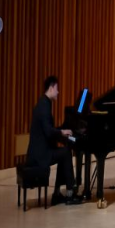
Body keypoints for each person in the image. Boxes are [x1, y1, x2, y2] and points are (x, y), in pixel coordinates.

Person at [27, 76, 81, 205]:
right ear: (51, 88)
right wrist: (62, 132)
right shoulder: (44, 106)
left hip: (39, 151)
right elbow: (48, 131)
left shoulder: (44, 103)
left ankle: (57, 194)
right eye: (57, 88)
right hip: (40, 155)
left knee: (63, 153)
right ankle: (70, 194)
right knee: (66, 152)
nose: (58, 92)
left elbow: (48, 129)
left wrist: (61, 132)